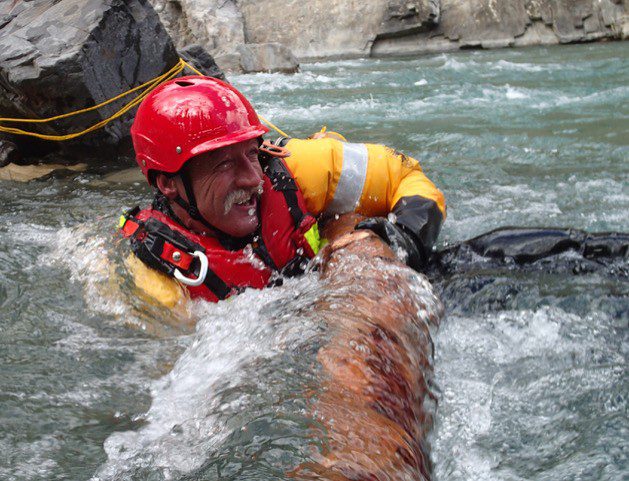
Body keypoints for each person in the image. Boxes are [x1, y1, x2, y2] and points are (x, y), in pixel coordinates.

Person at [119, 76, 446, 304]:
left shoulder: (302, 168)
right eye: (224, 165)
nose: (252, 179)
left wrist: (408, 236)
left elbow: (404, 174)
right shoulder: (158, 278)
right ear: (168, 184)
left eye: (251, 154)